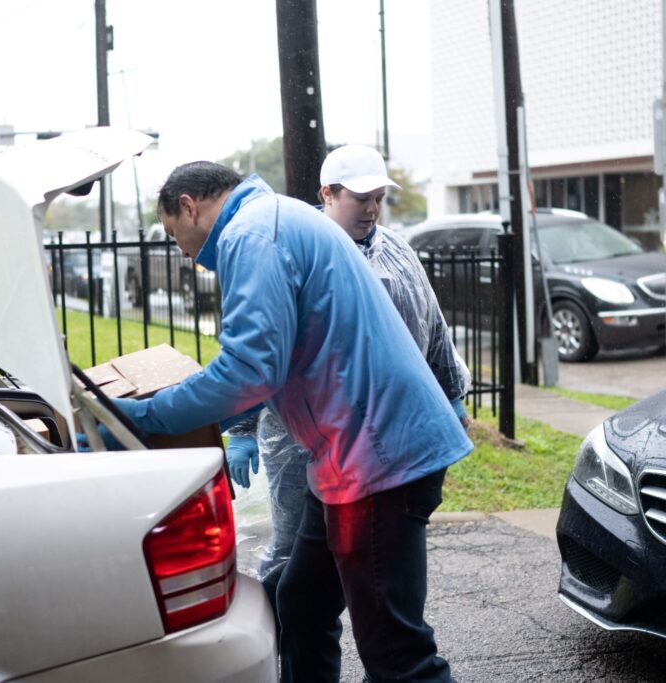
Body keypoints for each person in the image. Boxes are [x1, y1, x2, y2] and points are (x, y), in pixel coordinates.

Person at [112, 160, 472, 682]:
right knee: (300, 605)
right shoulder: (275, 218)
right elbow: (275, 365)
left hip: (377, 459)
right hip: (349, 456)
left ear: (189, 207)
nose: (183, 253)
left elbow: (250, 369)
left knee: (397, 655)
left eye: (174, 235)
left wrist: (146, 416)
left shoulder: (253, 233)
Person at [226, 144, 472, 632]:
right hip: (305, 438)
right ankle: (281, 649)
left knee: (360, 577)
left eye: (379, 197)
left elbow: (432, 323)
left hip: (385, 440)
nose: (372, 209)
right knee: (297, 555)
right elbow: (258, 341)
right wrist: (242, 425)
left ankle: (334, 639)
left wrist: (451, 391)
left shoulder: (394, 248)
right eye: (361, 198)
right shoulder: (293, 249)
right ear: (327, 194)